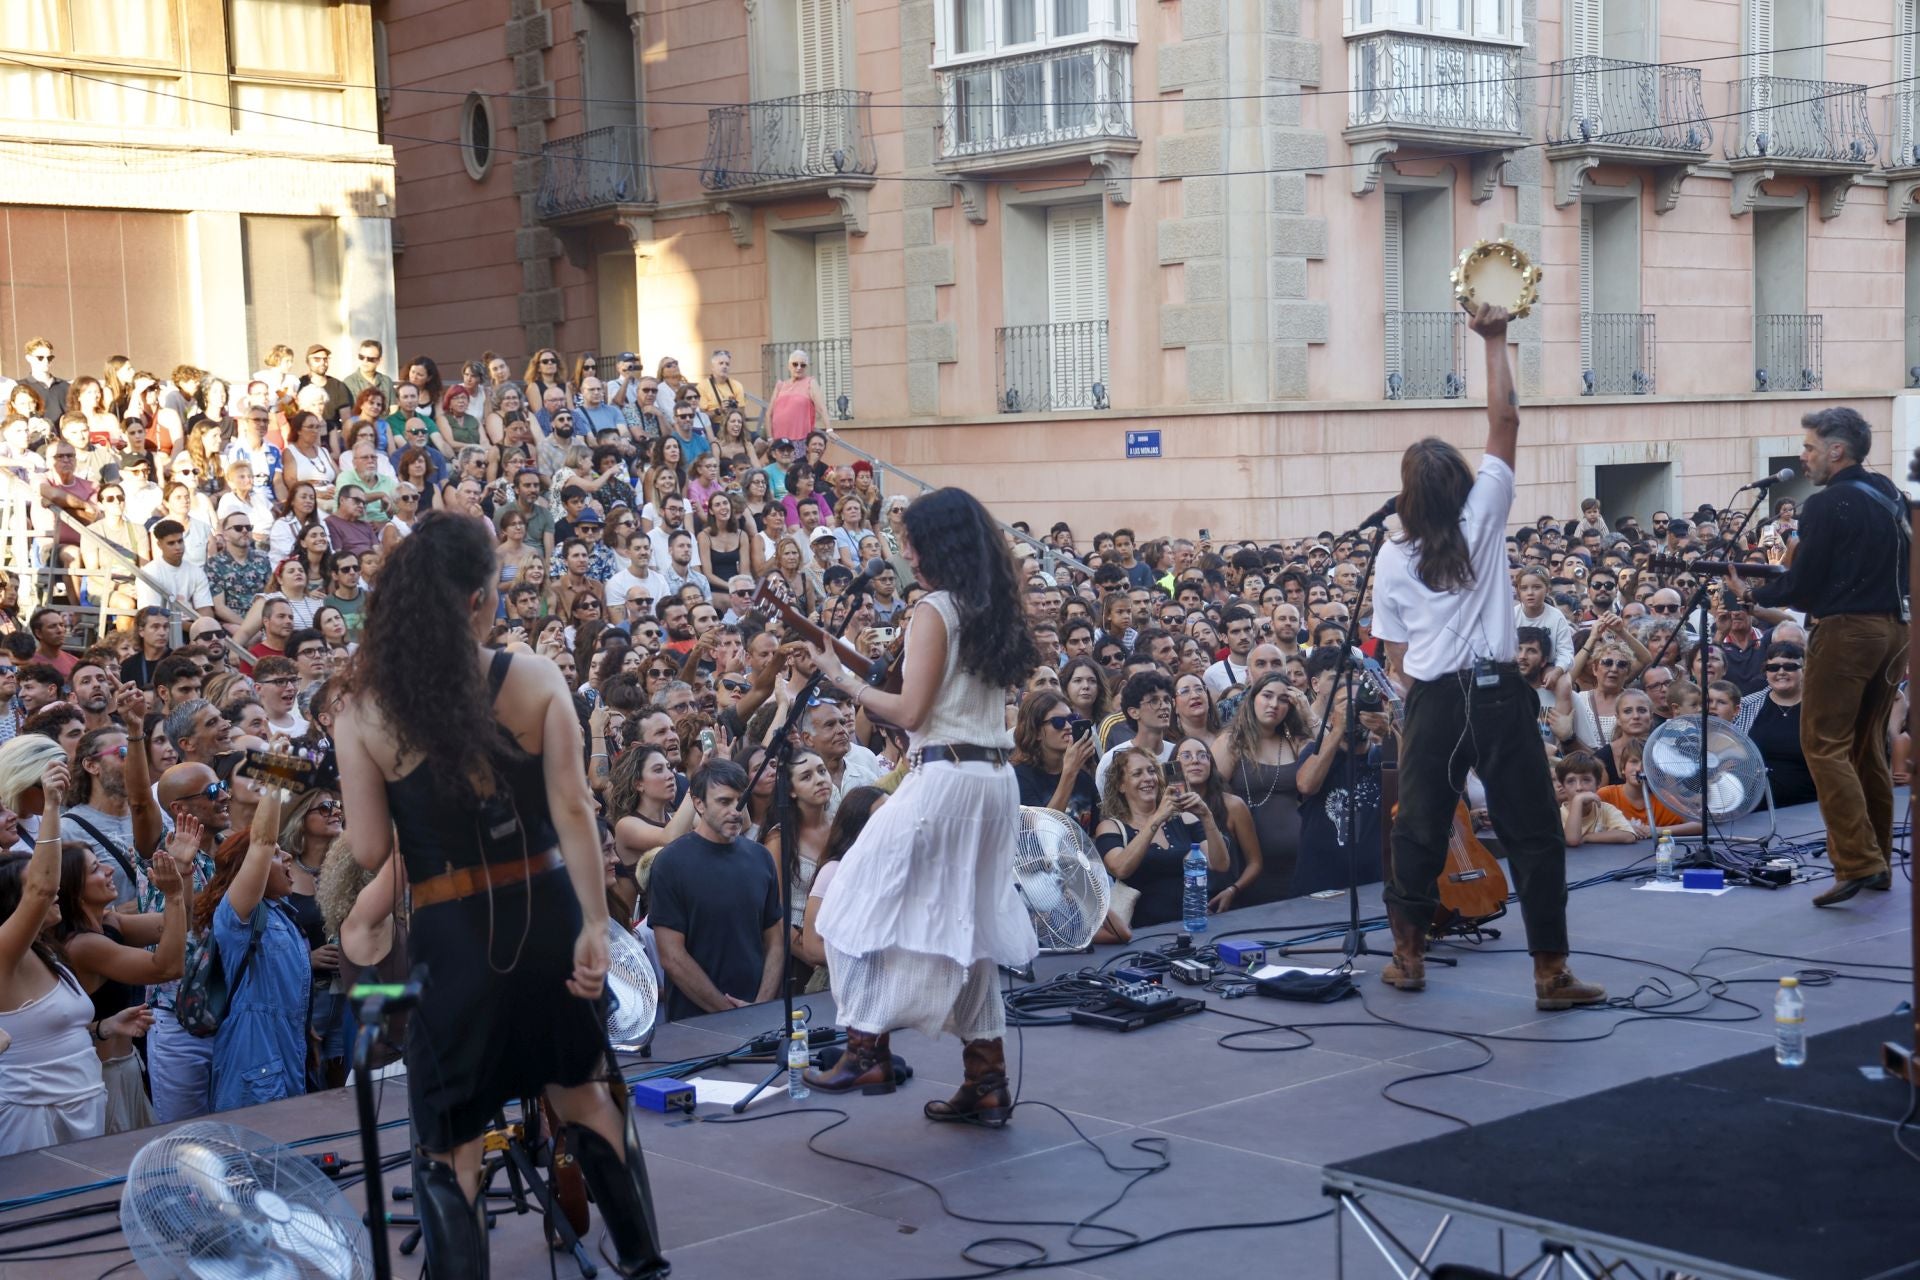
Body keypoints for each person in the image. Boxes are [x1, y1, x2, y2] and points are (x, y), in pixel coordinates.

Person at [333, 511, 668, 1279]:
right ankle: (643, 1262)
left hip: (452, 933)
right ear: (480, 599)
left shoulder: (365, 710)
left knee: (452, 1140)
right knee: (585, 1096)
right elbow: (575, 810)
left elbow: (370, 850)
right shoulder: (537, 678)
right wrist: (594, 924)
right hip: (548, 913)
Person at [1368, 303, 1603, 1011]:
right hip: (1500, 694)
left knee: (1418, 829)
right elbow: (1506, 421)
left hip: (1435, 699)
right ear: (1461, 486)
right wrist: (1495, 339)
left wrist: (1422, 697)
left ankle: (1409, 957)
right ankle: (1551, 973)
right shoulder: (1485, 515)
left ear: (1408, 497)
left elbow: (1398, 657)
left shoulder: (1392, 555)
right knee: (1532, 831)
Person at [800, 488, 1041, 1121]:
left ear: (936, 545)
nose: (905, 554)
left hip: (947, 780)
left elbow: (910, 712)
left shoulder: (935, 609)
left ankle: (866, 1047)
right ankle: (986, 1080)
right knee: (969, 926)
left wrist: (843, 680)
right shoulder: (992, 606)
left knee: (848, 901)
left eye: (911, 543)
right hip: (992, 781)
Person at [1729, 407, 1907, 906]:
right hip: (1894, 630)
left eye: (1809, 447)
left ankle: (1857, 862)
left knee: (1824, 744)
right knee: (1865, 746)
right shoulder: (1889, 493)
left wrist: (1752, 596)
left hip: (1847, 632)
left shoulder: (1827, 504)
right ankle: (1877, 862)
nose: (1803, 456)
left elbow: (1803, 588)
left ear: (1836, 450)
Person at [0, 738, 153, 1157]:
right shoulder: (5, 953)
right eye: (39, 888)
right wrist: (52, 807)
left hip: (85, 1106)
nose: (55, 892)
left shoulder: (49, 950)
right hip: (33, 1118)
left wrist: (105, 1027)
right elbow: (42, 888)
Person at [648, 760, 783, 1019]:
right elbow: (672, 956)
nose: (735, 811)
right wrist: (728, 1013)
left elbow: (775, 941)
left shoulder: (761, 857)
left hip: (759, 1016)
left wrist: (761, 1006)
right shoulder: (670, 863)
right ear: (699, 804)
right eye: (724, 802)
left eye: (740, 801)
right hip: (697, 1024)